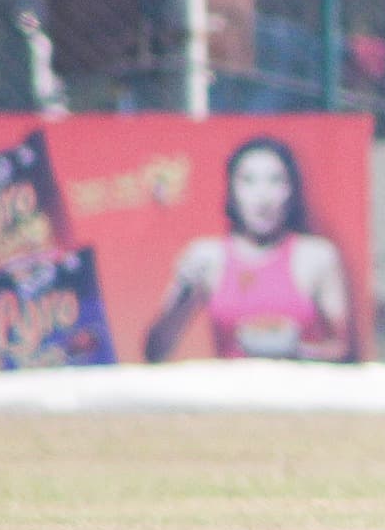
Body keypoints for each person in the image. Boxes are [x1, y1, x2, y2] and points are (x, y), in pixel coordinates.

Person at [144, 135, 354, 363]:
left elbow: (342, 350)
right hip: (232, 395)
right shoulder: (207, 256)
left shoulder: (316, 256)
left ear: (292, 192)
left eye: (275, 181)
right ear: (232, 192)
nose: (262, 196)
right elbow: (155, 353)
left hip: (299, 393)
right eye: (248, 181)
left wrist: (296, 353)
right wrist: (182, 295)